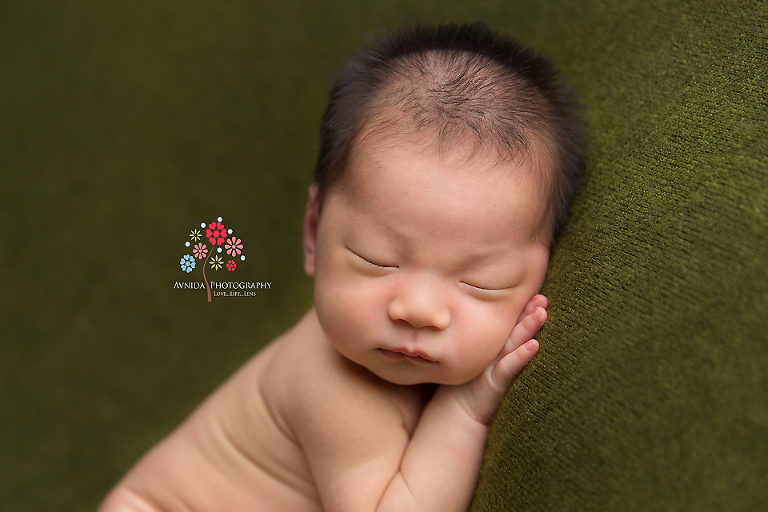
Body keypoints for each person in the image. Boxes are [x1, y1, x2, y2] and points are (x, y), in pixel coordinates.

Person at [98, 22, 585, 512]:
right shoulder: (335, 386)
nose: (417, 310)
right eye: (376, 260)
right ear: (313, 233)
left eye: (481, 283)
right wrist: (463, 411)